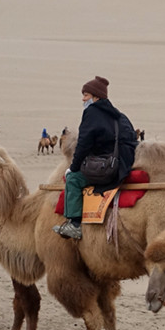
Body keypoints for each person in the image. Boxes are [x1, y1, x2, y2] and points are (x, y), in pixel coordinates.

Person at [54, 76, 137, 240]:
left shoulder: (91, 113)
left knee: (72, 178)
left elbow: (83, 144)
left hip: (105, 169)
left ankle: (74, 224)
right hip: (122, 166)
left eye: (86, 95)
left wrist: (74, 166)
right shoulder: (120, 116)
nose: (83, 99)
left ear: (96, 97)